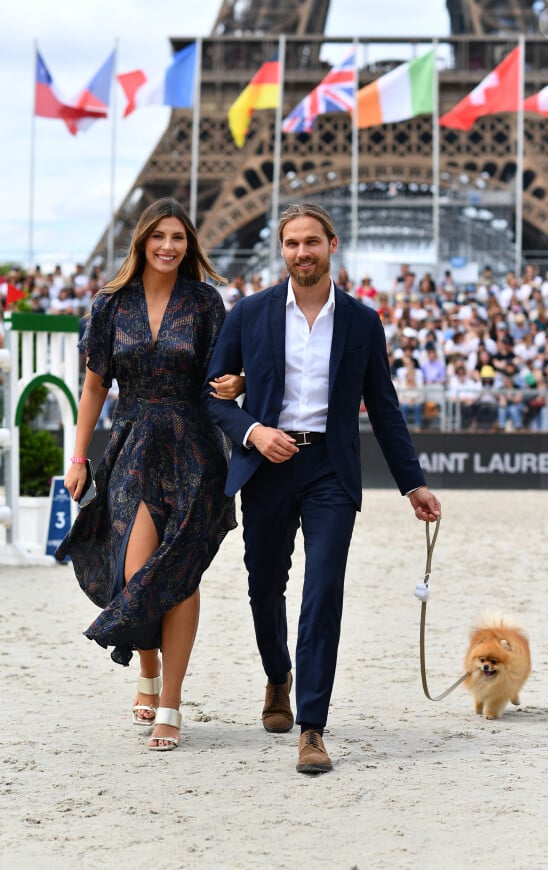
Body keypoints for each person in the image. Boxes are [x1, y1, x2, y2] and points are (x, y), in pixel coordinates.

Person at [204, 202, 441, 775]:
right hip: (265, 464)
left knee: (324, 590)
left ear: (332, 244)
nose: (302, 253)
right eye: (292, 244)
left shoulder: (362, 321)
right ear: (281, 250)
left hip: (330, 469)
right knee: (265, 585)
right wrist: (255, 431)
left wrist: (414, 484)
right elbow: (210, 396)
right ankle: (278, 676)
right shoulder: (250, 314)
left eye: (312, 242)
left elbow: (383, 409)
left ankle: (312, 725)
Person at [55, 198, 237, 751]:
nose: (168, 246)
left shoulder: (206, 302)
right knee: (140, 573)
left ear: (190, 245)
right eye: (159, 236)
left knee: (180, 574)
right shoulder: (112, 305)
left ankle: (173, 703)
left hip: (195, 450)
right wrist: (79, 456)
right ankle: (149, 665)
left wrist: (238, 386)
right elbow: (94, 387)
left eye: (178, 237)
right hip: (133, 444)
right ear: (142, 241)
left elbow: (226, 375)